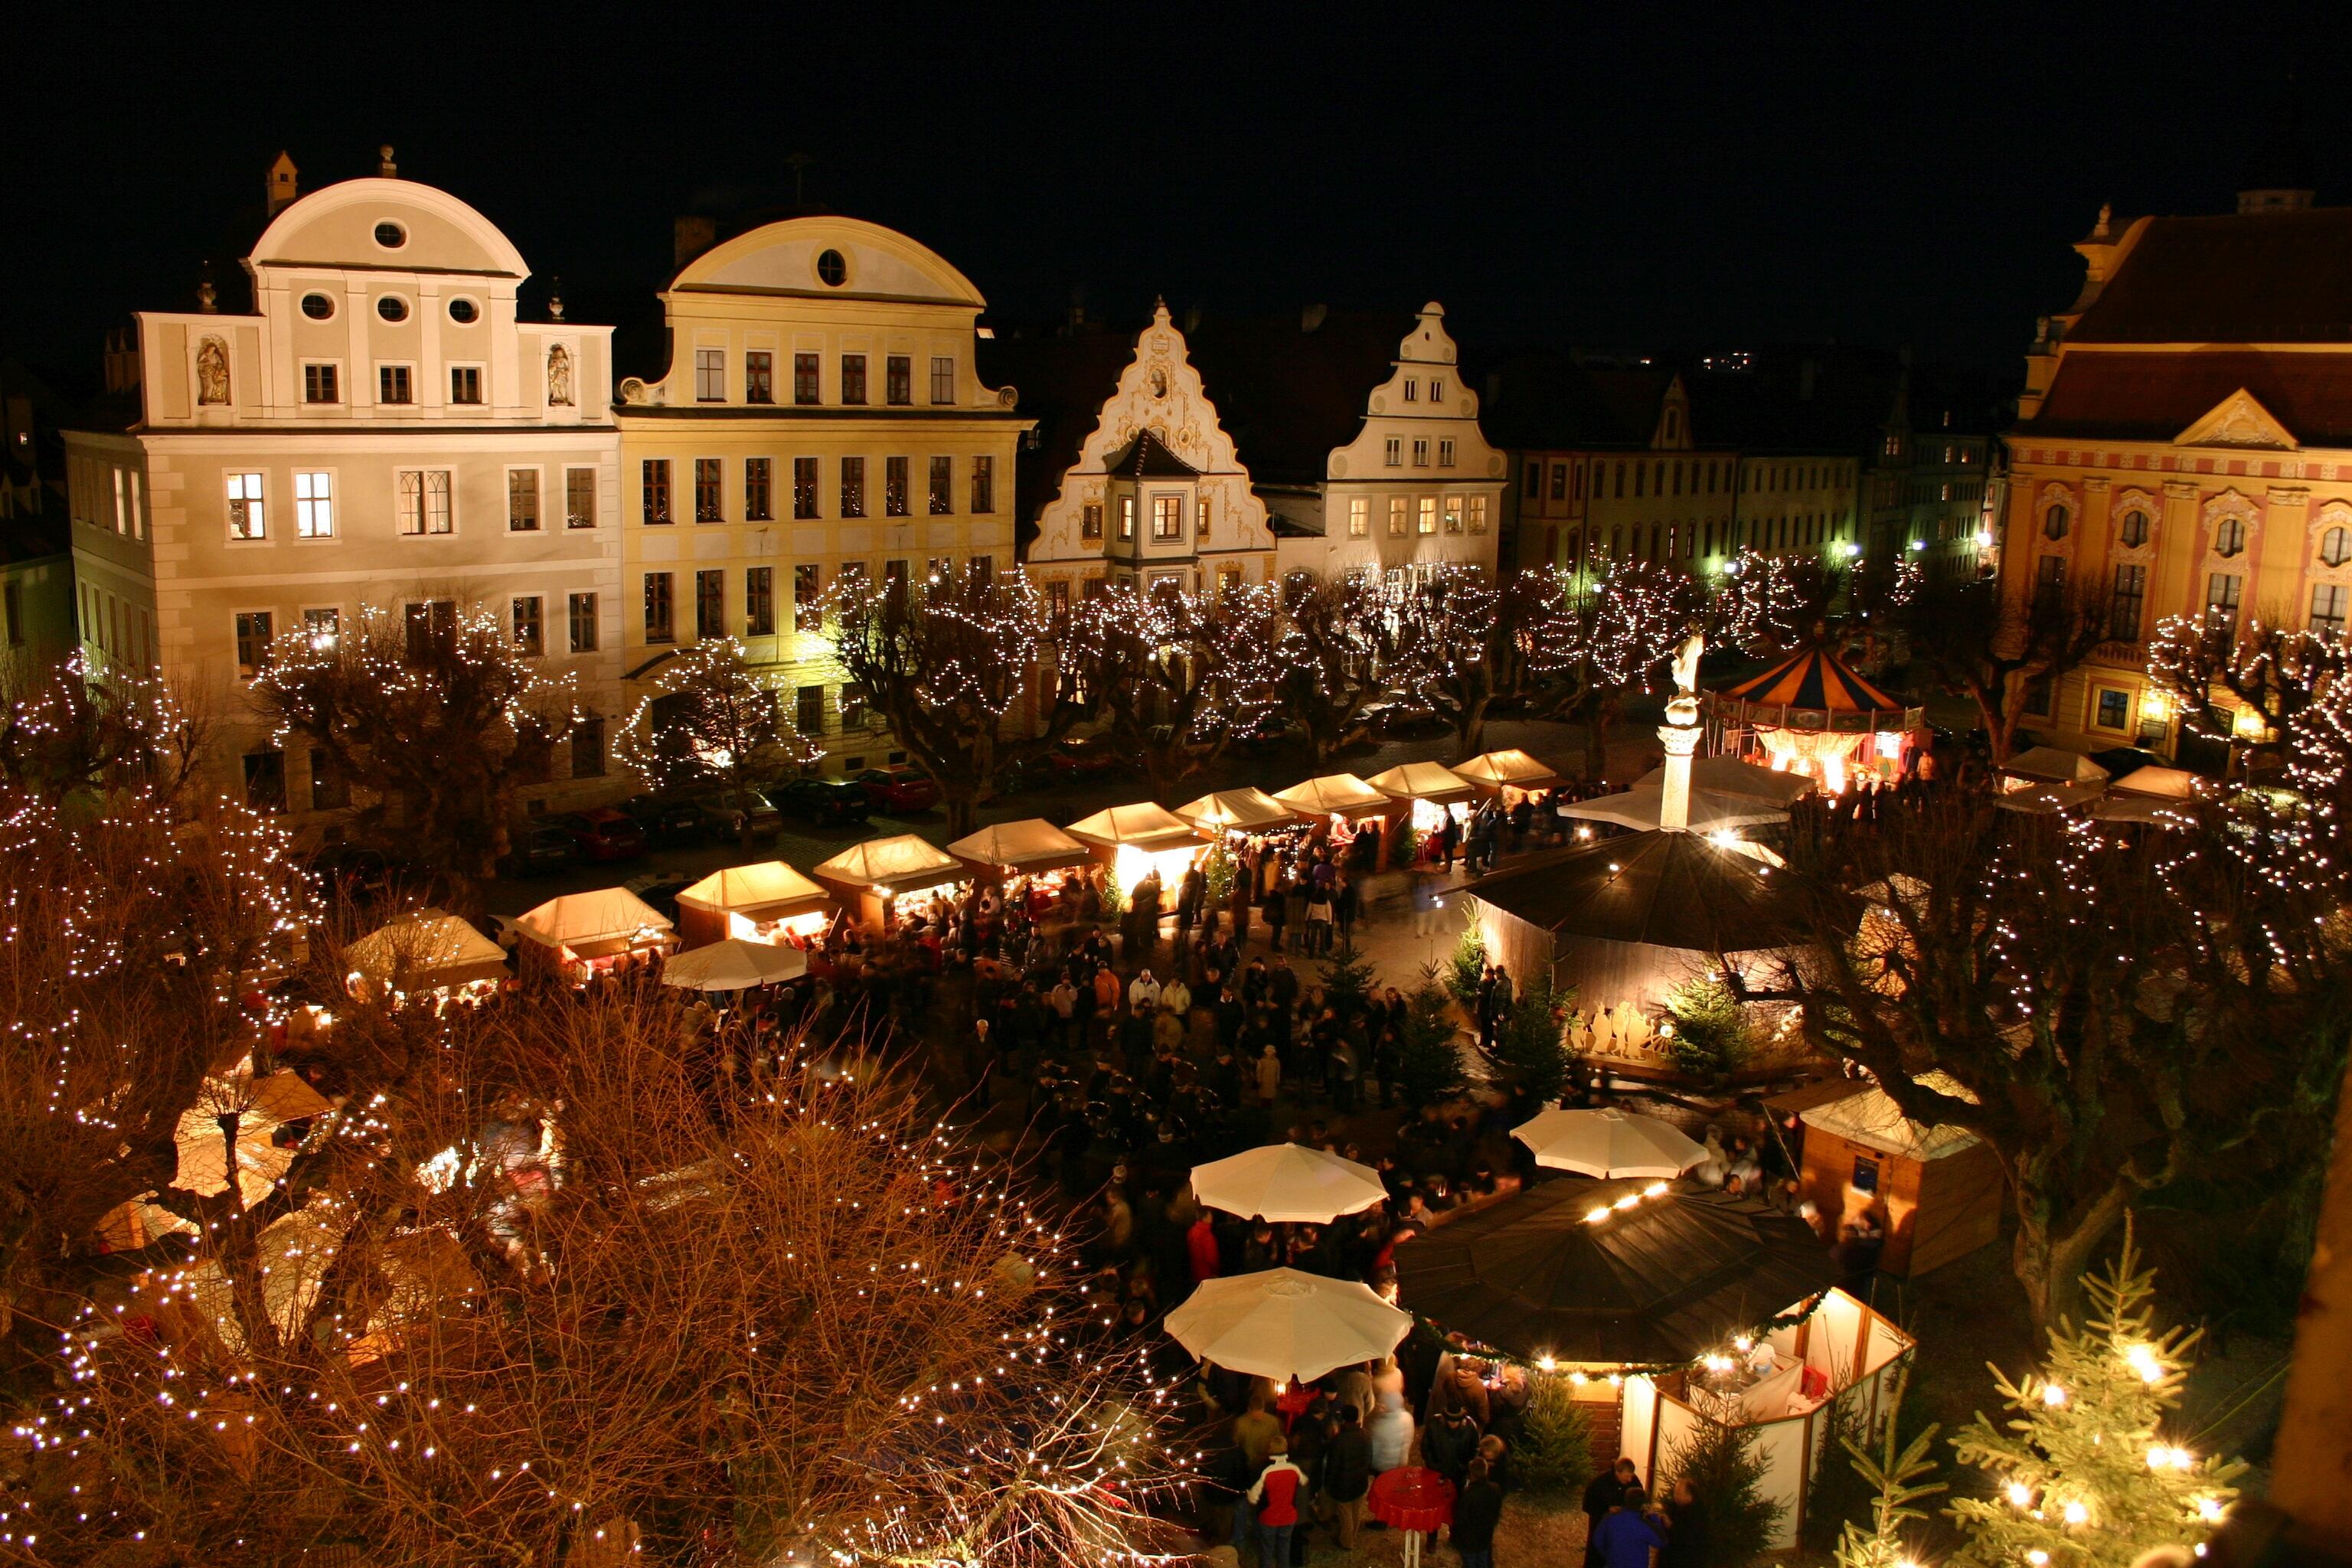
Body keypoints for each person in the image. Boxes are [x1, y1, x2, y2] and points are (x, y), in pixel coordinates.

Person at [1247, 1435, 1308, 1568]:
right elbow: (1304, 1481)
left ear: (1270, 1449)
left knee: (1267, 1550)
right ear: (1286, 1447)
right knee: (1284, 1549)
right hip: (1289, 1516)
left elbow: (1252, 1498)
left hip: (1268, 1517)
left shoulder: (1264, 1470)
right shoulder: (1295, 1468)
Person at [1322, 1403, 1373, 1550]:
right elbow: (1369, 1458)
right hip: (1360, 1481)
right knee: (1356, 1510)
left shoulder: (1339, 1440)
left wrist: (1328, 1484)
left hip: (1343, 1485)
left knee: (1345, 1515)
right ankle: (1353, 1535)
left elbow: (1333, 1466)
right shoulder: (1366, 1435)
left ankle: (1346, 1542)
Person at [1592, 1485, 1670, 1568]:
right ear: (1642, 1505)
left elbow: (1597, 1540)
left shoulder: (1609, 1518)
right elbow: (1661, 1542)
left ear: (1626, 1499)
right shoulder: (1644, 1525)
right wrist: (1654, 1518)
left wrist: (1608, 1556)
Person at [1582, 1459, 1638, 1568]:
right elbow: (1588, 1505)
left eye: (1631, 1476)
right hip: (1601, 1524)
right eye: (1627, 1477)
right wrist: (1607, 1509)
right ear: (1618, 1472)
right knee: (1597, 1553)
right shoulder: (1599, 1483)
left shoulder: (1634, 1482)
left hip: (1622, 1526)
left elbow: (1638, 1499)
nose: (1630, 1480)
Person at [1452, 1457, 1505, 1568]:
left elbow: (1461, 1519)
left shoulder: (1469, 1496)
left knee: (1470, 1563)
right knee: (1483, 1561)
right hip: (1486, 1536)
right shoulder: (1495, 1489)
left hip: (1469, 1540)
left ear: (1472, 1474)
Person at [1659, 1475, 1710, 1568]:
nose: (1675, 1496)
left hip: (1687, 1561)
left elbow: (1690, 1539)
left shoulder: (1697, 1513)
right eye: (1675, 1492)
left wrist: (1671, 1526)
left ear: (1689, 1495)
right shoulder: (1673, 1508)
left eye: (1678, 1493)